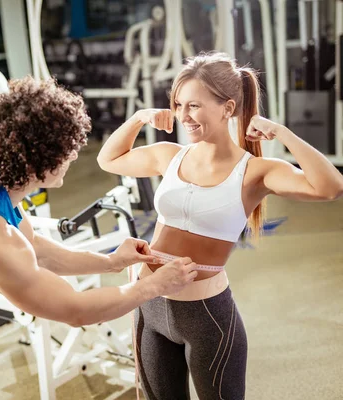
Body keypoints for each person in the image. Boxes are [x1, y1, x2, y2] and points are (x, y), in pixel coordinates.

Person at [0, 76, 199, 399]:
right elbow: (75, 309)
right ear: (39, 162)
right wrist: (153, 286)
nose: (74, 156)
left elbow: (37, 250)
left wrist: (110, 262)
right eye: (67, 150)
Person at [97, 52, 343, 399]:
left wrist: (283, 133)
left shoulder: (255, 172)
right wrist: (139, 118)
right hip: (148, 305)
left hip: (206, 317)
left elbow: (330, 186)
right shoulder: (171, 155)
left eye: (194, 106)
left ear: (227, 109)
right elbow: (109, 159)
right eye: (179, 104)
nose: (183, 116)